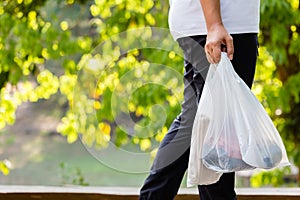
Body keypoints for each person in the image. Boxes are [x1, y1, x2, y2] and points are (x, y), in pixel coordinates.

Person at [139, 0, 260, 199]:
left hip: (223, 24)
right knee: (215, 129)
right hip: (220, 26)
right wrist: (214, 24)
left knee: (196, 123)